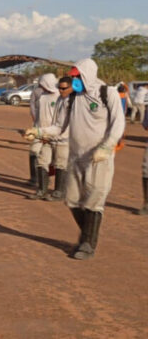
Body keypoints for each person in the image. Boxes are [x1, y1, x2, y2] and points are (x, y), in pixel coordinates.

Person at [26, 59, 125, 260]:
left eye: (77, 76)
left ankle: (87, 244)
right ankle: (87, 234)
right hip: (76, 157)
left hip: (99, 157)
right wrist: (39, 131)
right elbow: (59, 127)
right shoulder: (71, 99)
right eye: (73, 77)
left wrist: (107, 146)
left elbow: (118, 123)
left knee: (94, 200)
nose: (75, 80)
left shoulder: (107, 94)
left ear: (87, 74)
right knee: (72, 200)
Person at [26, 73, 59, 200]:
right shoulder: (42, 97)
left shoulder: (59, 97)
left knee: (59, 163)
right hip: (41, 133)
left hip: (55, 134)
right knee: (41, 160)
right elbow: (38, 115)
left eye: (43, 84)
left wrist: (51, 133)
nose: (41, 86)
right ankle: (41, 190)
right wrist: (35, 131)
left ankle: (59, 191)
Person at [44, 77, 73, 201]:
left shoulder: (72, 101)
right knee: (57, 163)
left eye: (64, 88)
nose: (61, 90)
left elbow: (64, 123)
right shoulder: (60, 99)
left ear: (71, 87)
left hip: (65, 137)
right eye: (59, 88)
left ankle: (59, 192)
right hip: (56, 135)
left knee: (62, 164)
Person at [27, 81, 46, 186]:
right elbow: (32, 105)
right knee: (33, 151)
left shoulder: (55, 93)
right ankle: (34, 178)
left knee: (47, 154)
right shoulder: (36, 91)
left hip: (49, 129)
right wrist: (34, 118)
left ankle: (44, 179)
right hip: (37, 126)